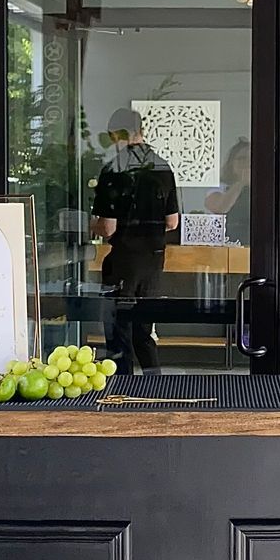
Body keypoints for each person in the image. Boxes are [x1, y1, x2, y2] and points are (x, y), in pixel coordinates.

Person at [92, 106, 179, 374]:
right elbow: (172, 221)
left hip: (124, 261)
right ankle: (155, 386)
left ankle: (124, 392)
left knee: (120, 332)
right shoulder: (162, 167)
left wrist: (87, 225)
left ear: (117, 134)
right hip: (153, 260)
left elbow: (108, 227)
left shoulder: (115, 170)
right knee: (144, 330)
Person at [205, 137, 252, 243]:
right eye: (242, 159)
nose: (247, 163)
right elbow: (219, 208)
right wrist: (240, 183)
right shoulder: (220, 187)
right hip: (228, 244)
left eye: (251, 159)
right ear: (231, 162)